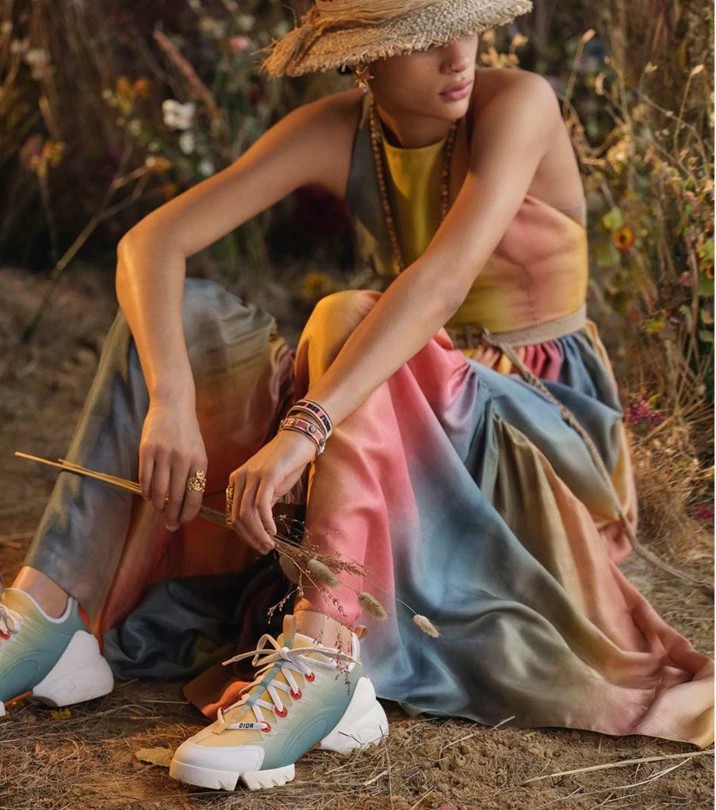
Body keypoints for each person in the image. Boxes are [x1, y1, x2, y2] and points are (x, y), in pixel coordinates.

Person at [1, 0, 712, 794]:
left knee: (347, 315)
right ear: (363, 59)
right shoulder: (339, 130)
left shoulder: (521, 103)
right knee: (182, 315)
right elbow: (151, 241)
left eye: (465, 25)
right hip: (396, 402)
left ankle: (326, 649)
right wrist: (172, 396)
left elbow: (438, 285)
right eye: (422, 39)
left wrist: (304, 428)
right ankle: (53, 610)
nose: (458, 57)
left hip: (535, 432)